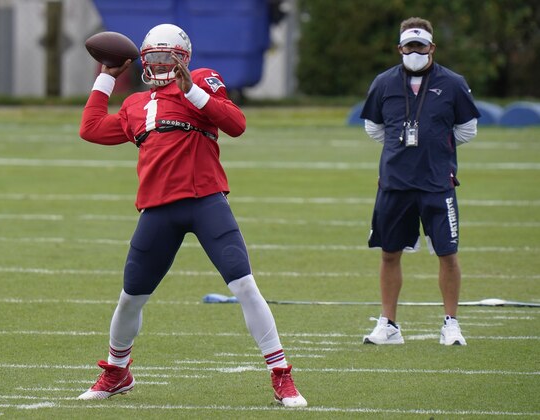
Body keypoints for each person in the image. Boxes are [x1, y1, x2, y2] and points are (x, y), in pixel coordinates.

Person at [76, 23, 307, 407]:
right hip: (157, 209)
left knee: (244, 285)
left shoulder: (201, 81)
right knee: (130, 298)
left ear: (184, 61)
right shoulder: (136, 104)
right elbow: (91, 129)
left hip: (205, 202)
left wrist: (193, 92)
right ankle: (117, 372)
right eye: (154, 59)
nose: (162, 65)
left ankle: (281, 374)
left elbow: (236, 124)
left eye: (169, 58)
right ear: (143, 62)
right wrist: (105, 77)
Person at [360, 17, 480, 346]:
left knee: (447, 252)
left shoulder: (453, 83)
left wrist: (437, 148)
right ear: (400, 48)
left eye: (420, 46)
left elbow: (467, 129)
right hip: (396, 182)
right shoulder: (383, 83)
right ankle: (389, 325)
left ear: (432, 47)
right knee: (388, 253)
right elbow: (374, 128)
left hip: (437, 181)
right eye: (409, 46)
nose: (415, 51)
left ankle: (451, 323)